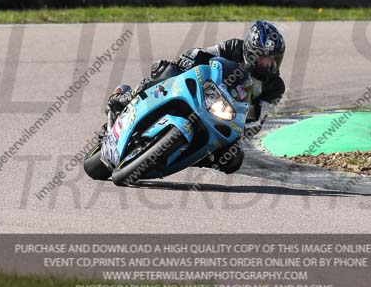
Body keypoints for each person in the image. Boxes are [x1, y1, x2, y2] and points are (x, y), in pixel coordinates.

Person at [102, 20, 286, 174]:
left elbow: (260, 118)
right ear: (250, 50)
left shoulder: (276, 86)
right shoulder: (233, 47)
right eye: (263, 57)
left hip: (226, 117)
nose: (267, 63)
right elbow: (202, 53)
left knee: (233, 159)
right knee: (167, 70)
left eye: (272, 59)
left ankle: (189, 156)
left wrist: (246, 128)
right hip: (203, 92)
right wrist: (189, 58)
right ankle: (127, 97)